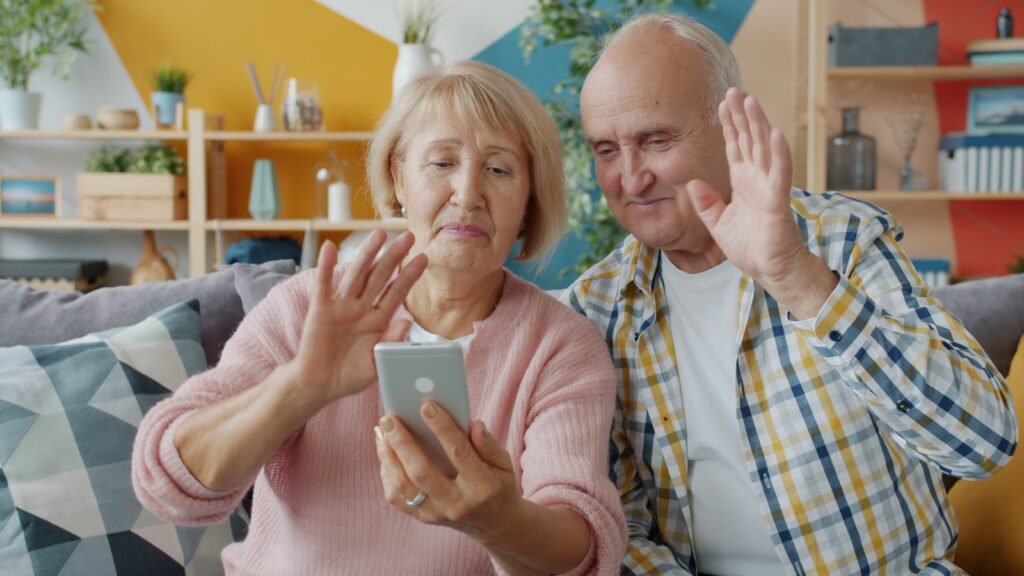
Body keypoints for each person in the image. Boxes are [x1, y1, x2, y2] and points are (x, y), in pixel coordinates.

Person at [565, 12, 1018, 575]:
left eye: (655, 141)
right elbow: (619, 521)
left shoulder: (845, 239)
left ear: (729, 124)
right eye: (606, 150)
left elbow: (984, 443)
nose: (630, 180)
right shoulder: (598, 305)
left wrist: (799, 278)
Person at [132, 61, 626, 575]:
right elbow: (171, 484)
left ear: (529, 202)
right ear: (398, 178)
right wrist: (300, 386)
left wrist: (499, 522)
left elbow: (584, 549)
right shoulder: (308, 308)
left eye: (499, 170)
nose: (467, 194)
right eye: (440, 163)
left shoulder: (562, 346)